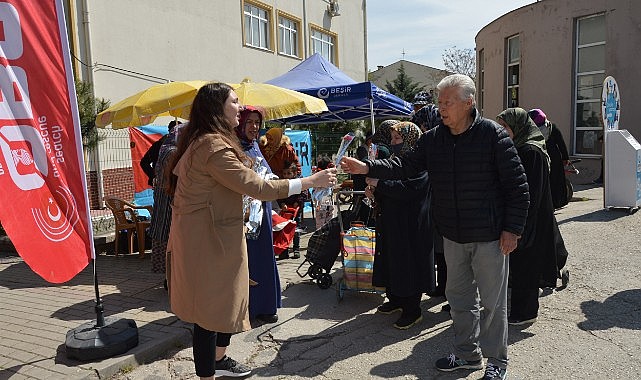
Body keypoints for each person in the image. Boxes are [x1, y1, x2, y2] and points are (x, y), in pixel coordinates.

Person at [340, 74, 529, 380]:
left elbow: (518, 187)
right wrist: (367, 167)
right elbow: (405, 166)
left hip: (490, 236)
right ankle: (468, 355)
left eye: (447, 102)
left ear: (469, 103)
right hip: (453, 236)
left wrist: (512, 229)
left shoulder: (493, 136)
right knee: (460, 300)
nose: (441, 107)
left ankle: (497, 360)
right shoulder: (433, 139)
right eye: (439, 101)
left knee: (493, 304)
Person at [165, 82, 336, 380]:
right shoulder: (212, 145)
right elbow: (258, 186)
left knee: (225, 303)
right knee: (208, 313)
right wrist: (310, 181)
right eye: (234, 101)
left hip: (216, 238)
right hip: (207, 244)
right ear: (218, 108)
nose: (241, 107)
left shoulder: (209, 141)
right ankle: (207, 374)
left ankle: (220, 359)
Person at [497, 108, 570, 325]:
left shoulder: (531, 151)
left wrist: (519, 224)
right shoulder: (519, 147)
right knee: (519, 265)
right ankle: (520, 308)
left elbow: (532, 192)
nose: (502, 131)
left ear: (518, 127)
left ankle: (525, 313)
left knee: (527, 266)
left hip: (531, 219)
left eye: (505, 127)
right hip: (524, 217)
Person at [366, 121, 435, 329]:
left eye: (398, 139)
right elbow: (391, 187)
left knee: (408, 264)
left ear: (410, 141)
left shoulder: (419, 163)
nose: (393, 143)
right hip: (393, 221)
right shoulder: (396, 160)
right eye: (393, 138)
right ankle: (395, 299)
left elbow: (409, 189)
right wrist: (374, 191)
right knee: (392, 260)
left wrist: (380, 184)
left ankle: (412, 310)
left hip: (410, 224)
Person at [235, 106, 282, 324]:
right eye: (249, 122)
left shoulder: (254, 146)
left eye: (257, 123)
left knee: (263, 256)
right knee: (248, 259)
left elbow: (265, 169)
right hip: (243, 213)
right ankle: (248, 308)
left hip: (260, 209)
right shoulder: (233, 146)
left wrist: (270, 176)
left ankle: (265, 305)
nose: (254, 127)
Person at [149, 122, 183, 282]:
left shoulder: (165, 148)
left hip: (162, 199)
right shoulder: (173, 152)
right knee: (170, 241)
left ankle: (169, 278)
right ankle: (171, 279)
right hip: (169, 201)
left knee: (165, 239)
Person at [528, 109, 571, 209]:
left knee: (543, 181)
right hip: (554, 158)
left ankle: (545, 204)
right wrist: (565, 158)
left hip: (541, 157)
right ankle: (556, 202)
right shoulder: (552, 127)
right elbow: (561, 143)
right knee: (555, 181)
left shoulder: (532, 130)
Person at [277, 160, 309, 259]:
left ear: (295, 173)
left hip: (295, 209)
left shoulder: (299, 182)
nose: (286, 176)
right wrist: (282, 203)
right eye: (284, 173)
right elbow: (279, 194)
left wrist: (298, 202)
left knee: (296, 229)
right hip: (285, 209)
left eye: (289, 173)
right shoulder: (282, 183)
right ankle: (284, 250)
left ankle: (296, 249)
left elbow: (304, 193)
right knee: (283, 229)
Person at [141, 120, 180, 186]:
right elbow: (144, 162)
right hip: (162, 184)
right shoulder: (158, 145)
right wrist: (154, 176)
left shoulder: (183, 145)